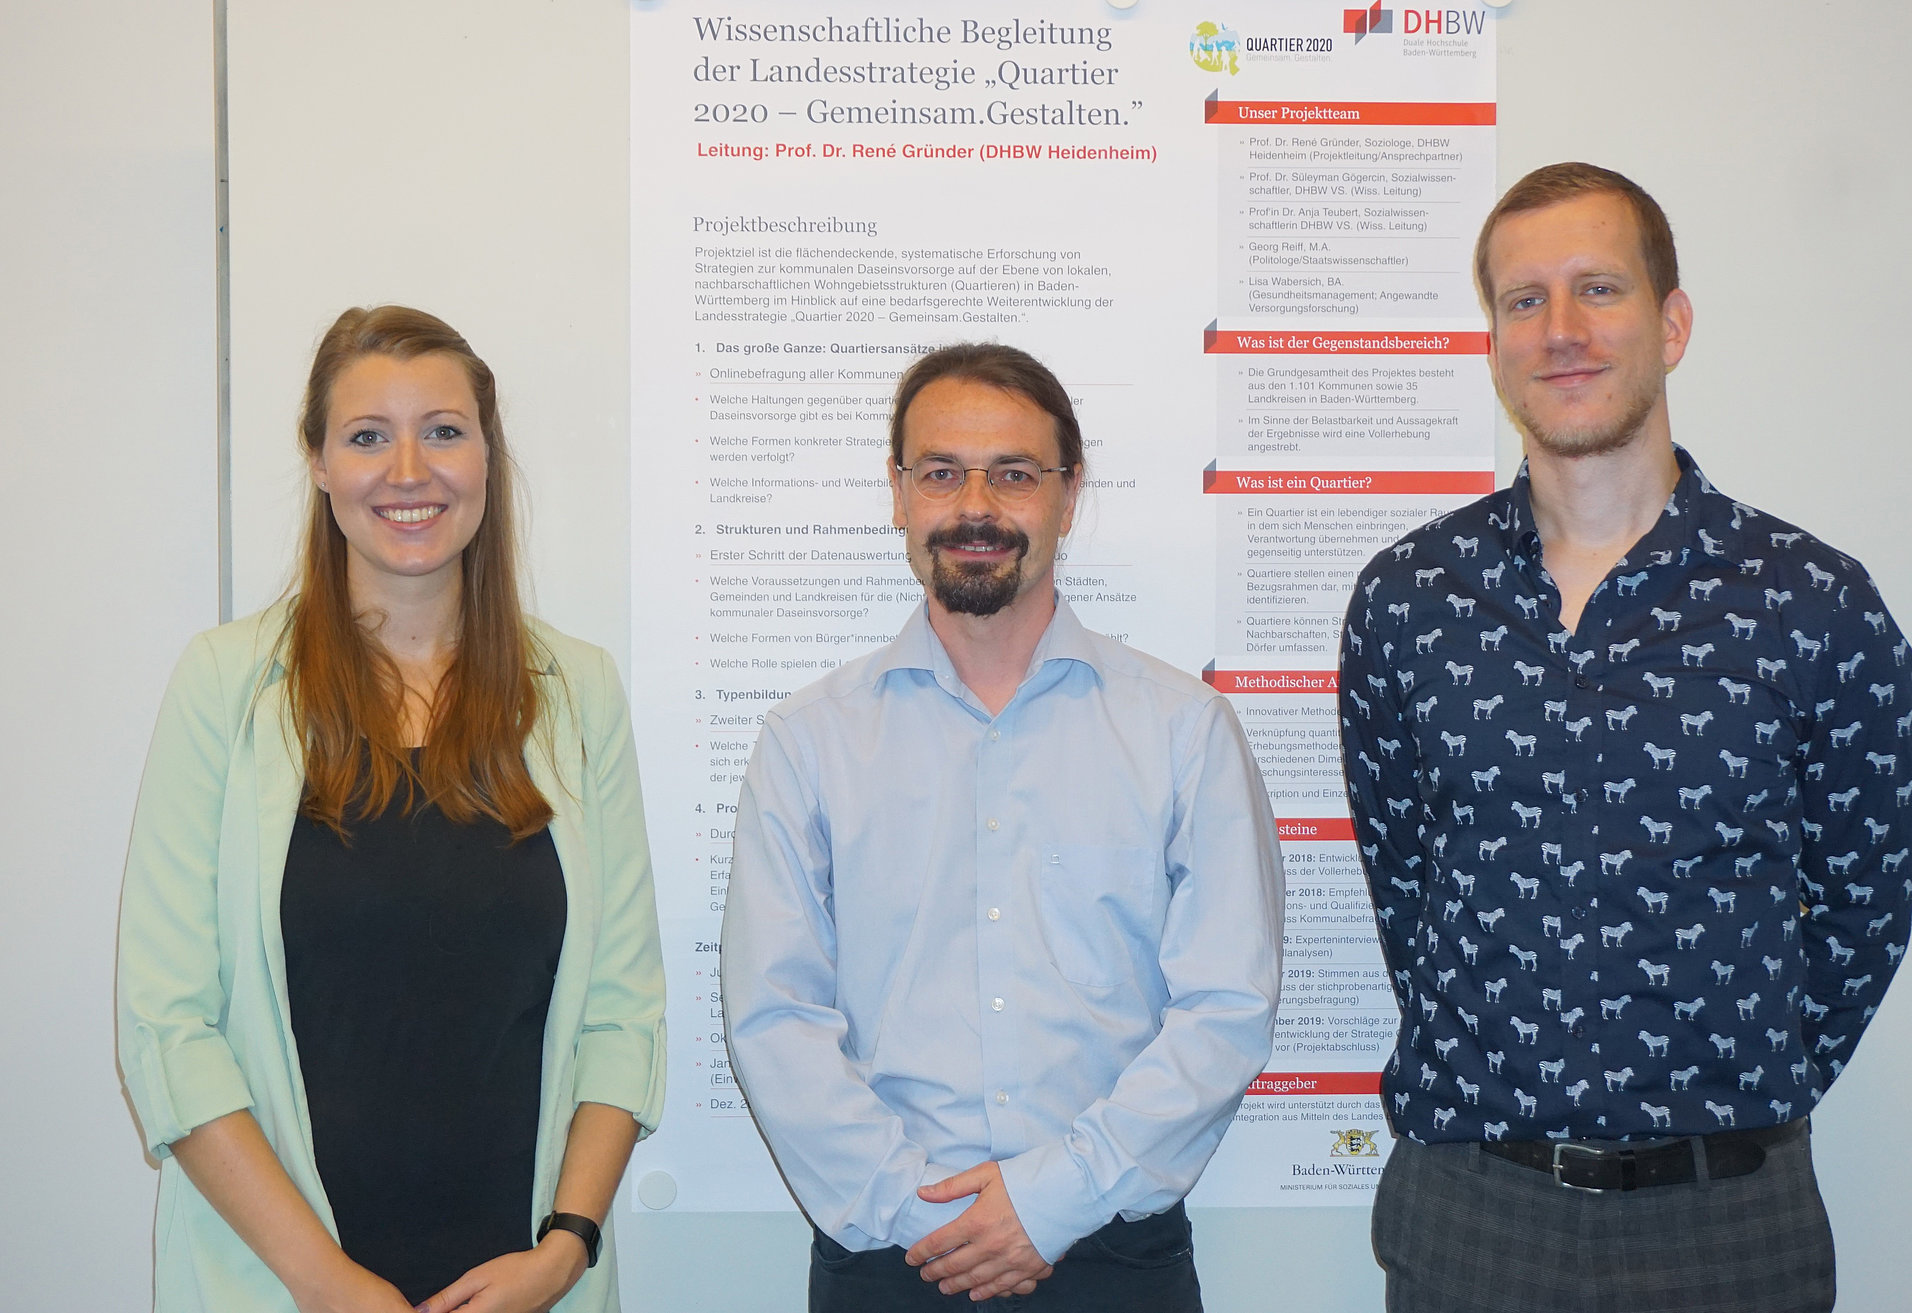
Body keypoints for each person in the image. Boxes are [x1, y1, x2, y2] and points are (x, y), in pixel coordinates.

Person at [1339, 161, 1911, 1312]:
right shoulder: (1408, 601)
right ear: (1493, 340)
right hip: (1470, 1211)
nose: (1561, 331)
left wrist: (1736, 1071)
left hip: (1731, 1220)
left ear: (1673, 322)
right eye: (1522, 299)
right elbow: (1405, 879)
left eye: (1599, 288)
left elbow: (1871, 890)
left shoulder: (1812, 601)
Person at [116, 306, 665, 1313]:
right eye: (368, 435)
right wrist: (327, 1283)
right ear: (320, 463)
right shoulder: (226, 684)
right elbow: (169, 1026)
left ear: (487, 458)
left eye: (444, 431)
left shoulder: (578, 692)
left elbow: (624, 1014)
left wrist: (565, 1249)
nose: (408, 469)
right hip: (283, 1284)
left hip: (526, 1282)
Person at [721, 343, 1284, 1311]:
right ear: (898, 493)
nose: (975, 505)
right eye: (941, 472)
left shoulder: (1183, 730)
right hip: (886, 1256)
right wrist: (926, 1212)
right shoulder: (806, 743)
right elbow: (773, 1019)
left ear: (1069, 496)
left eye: (1014, 474)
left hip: (1115, 1255)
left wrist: (1049, 1199)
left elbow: (1226, 1006)